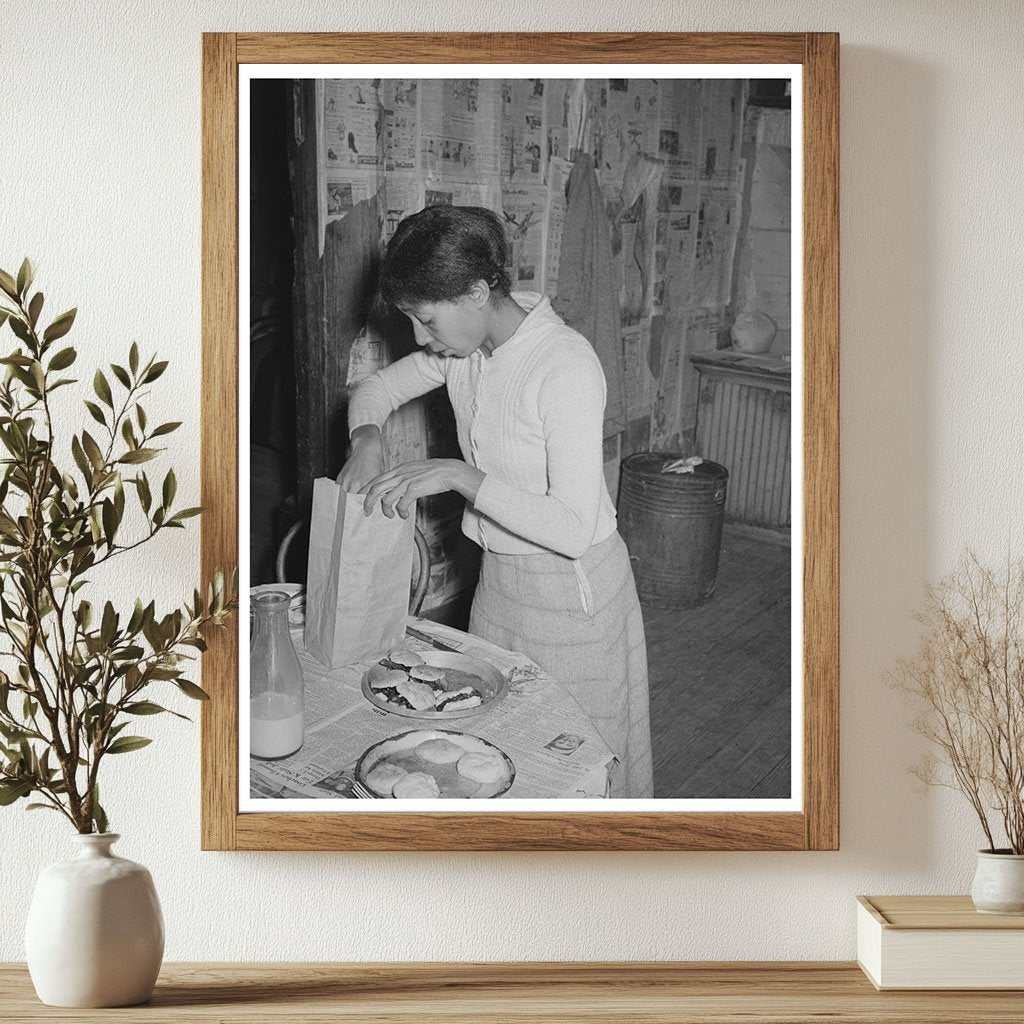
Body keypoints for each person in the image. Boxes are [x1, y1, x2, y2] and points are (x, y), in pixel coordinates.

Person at [338, 205, 653, 798]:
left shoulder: (563, 364)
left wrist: (461, 476)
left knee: (580, 766)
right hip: (499, 587)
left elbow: (569, 527)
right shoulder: (467, 351)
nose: (419, 338)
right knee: (500, 748)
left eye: (427, 319)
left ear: (479, 292)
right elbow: (377, 389)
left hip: (574, 596)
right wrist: (367, 441)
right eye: (412, 319)